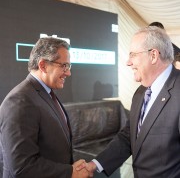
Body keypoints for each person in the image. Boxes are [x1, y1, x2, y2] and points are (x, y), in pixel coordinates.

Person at [77, 26, 180, 177]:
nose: (128, 62)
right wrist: (94, 165)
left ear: (153, 56)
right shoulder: (140, 92)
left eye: (133, 55)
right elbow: (129, 136)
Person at [0, 37, 91, 178]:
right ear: (43, 65)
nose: (68, 73)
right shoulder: (19, 101)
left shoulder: (45, 93)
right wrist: (70, 172)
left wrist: (70, 168)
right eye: (64, 66)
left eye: (69, 66)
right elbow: (22, 166)